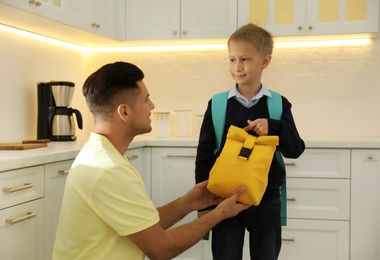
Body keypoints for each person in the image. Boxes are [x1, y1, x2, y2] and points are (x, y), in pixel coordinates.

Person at [52, 61, 250, 260]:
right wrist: (218, 214)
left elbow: (144, 226)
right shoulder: (110, 170)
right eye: (146, 99)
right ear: (125, 112)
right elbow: (161, 248)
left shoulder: (99, 154)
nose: (152, 106)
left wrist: (188, 202)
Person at [195, 23, 305, 260]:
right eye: (232, 59)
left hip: (266, 201)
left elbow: (295, 149)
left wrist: (273, 126)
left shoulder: (278, 104)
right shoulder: (217, 104)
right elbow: (204, 155)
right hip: (224, 199)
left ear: (265, 61)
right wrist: (203, 205)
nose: (237, 67)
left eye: (245, 59)